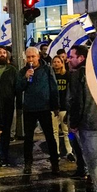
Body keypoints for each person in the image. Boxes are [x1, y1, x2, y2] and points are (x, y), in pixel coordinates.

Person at [67, 45, 97, 192]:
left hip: (89, 121)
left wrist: (74, 123)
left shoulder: (78, 74)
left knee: (93, 160)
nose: (68, 59)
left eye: (72, 56)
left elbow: (76, 101)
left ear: (81, 58)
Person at [16, 46, 60, 176]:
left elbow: (54, 87)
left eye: (32, 57)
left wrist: (55, 106)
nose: (30, 59)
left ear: (38, 57)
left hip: (44, 107)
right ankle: (28, 163)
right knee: (28, 138)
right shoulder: (23, 71)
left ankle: (55, 162)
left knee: (50, 136)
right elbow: (18, 88)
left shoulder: (47, 69)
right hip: (29, 108)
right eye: (28, 57)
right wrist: (25, 77)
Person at [0, 45, 17, 165]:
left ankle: (4, 156)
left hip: (7, 104)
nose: (2, 54)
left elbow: (16, 87)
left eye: (4, 52)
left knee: (6, 131)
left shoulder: (12, 70)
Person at [51, 54, 73, 162]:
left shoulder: (67, 75)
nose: (56, 64)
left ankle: (69, 151)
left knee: (66, 131)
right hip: (53, 107)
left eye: (58, 62)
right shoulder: (51, 76)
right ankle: (56, 152)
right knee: (54, 131)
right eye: (54, 62)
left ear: (62, 63)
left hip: (64, 107)